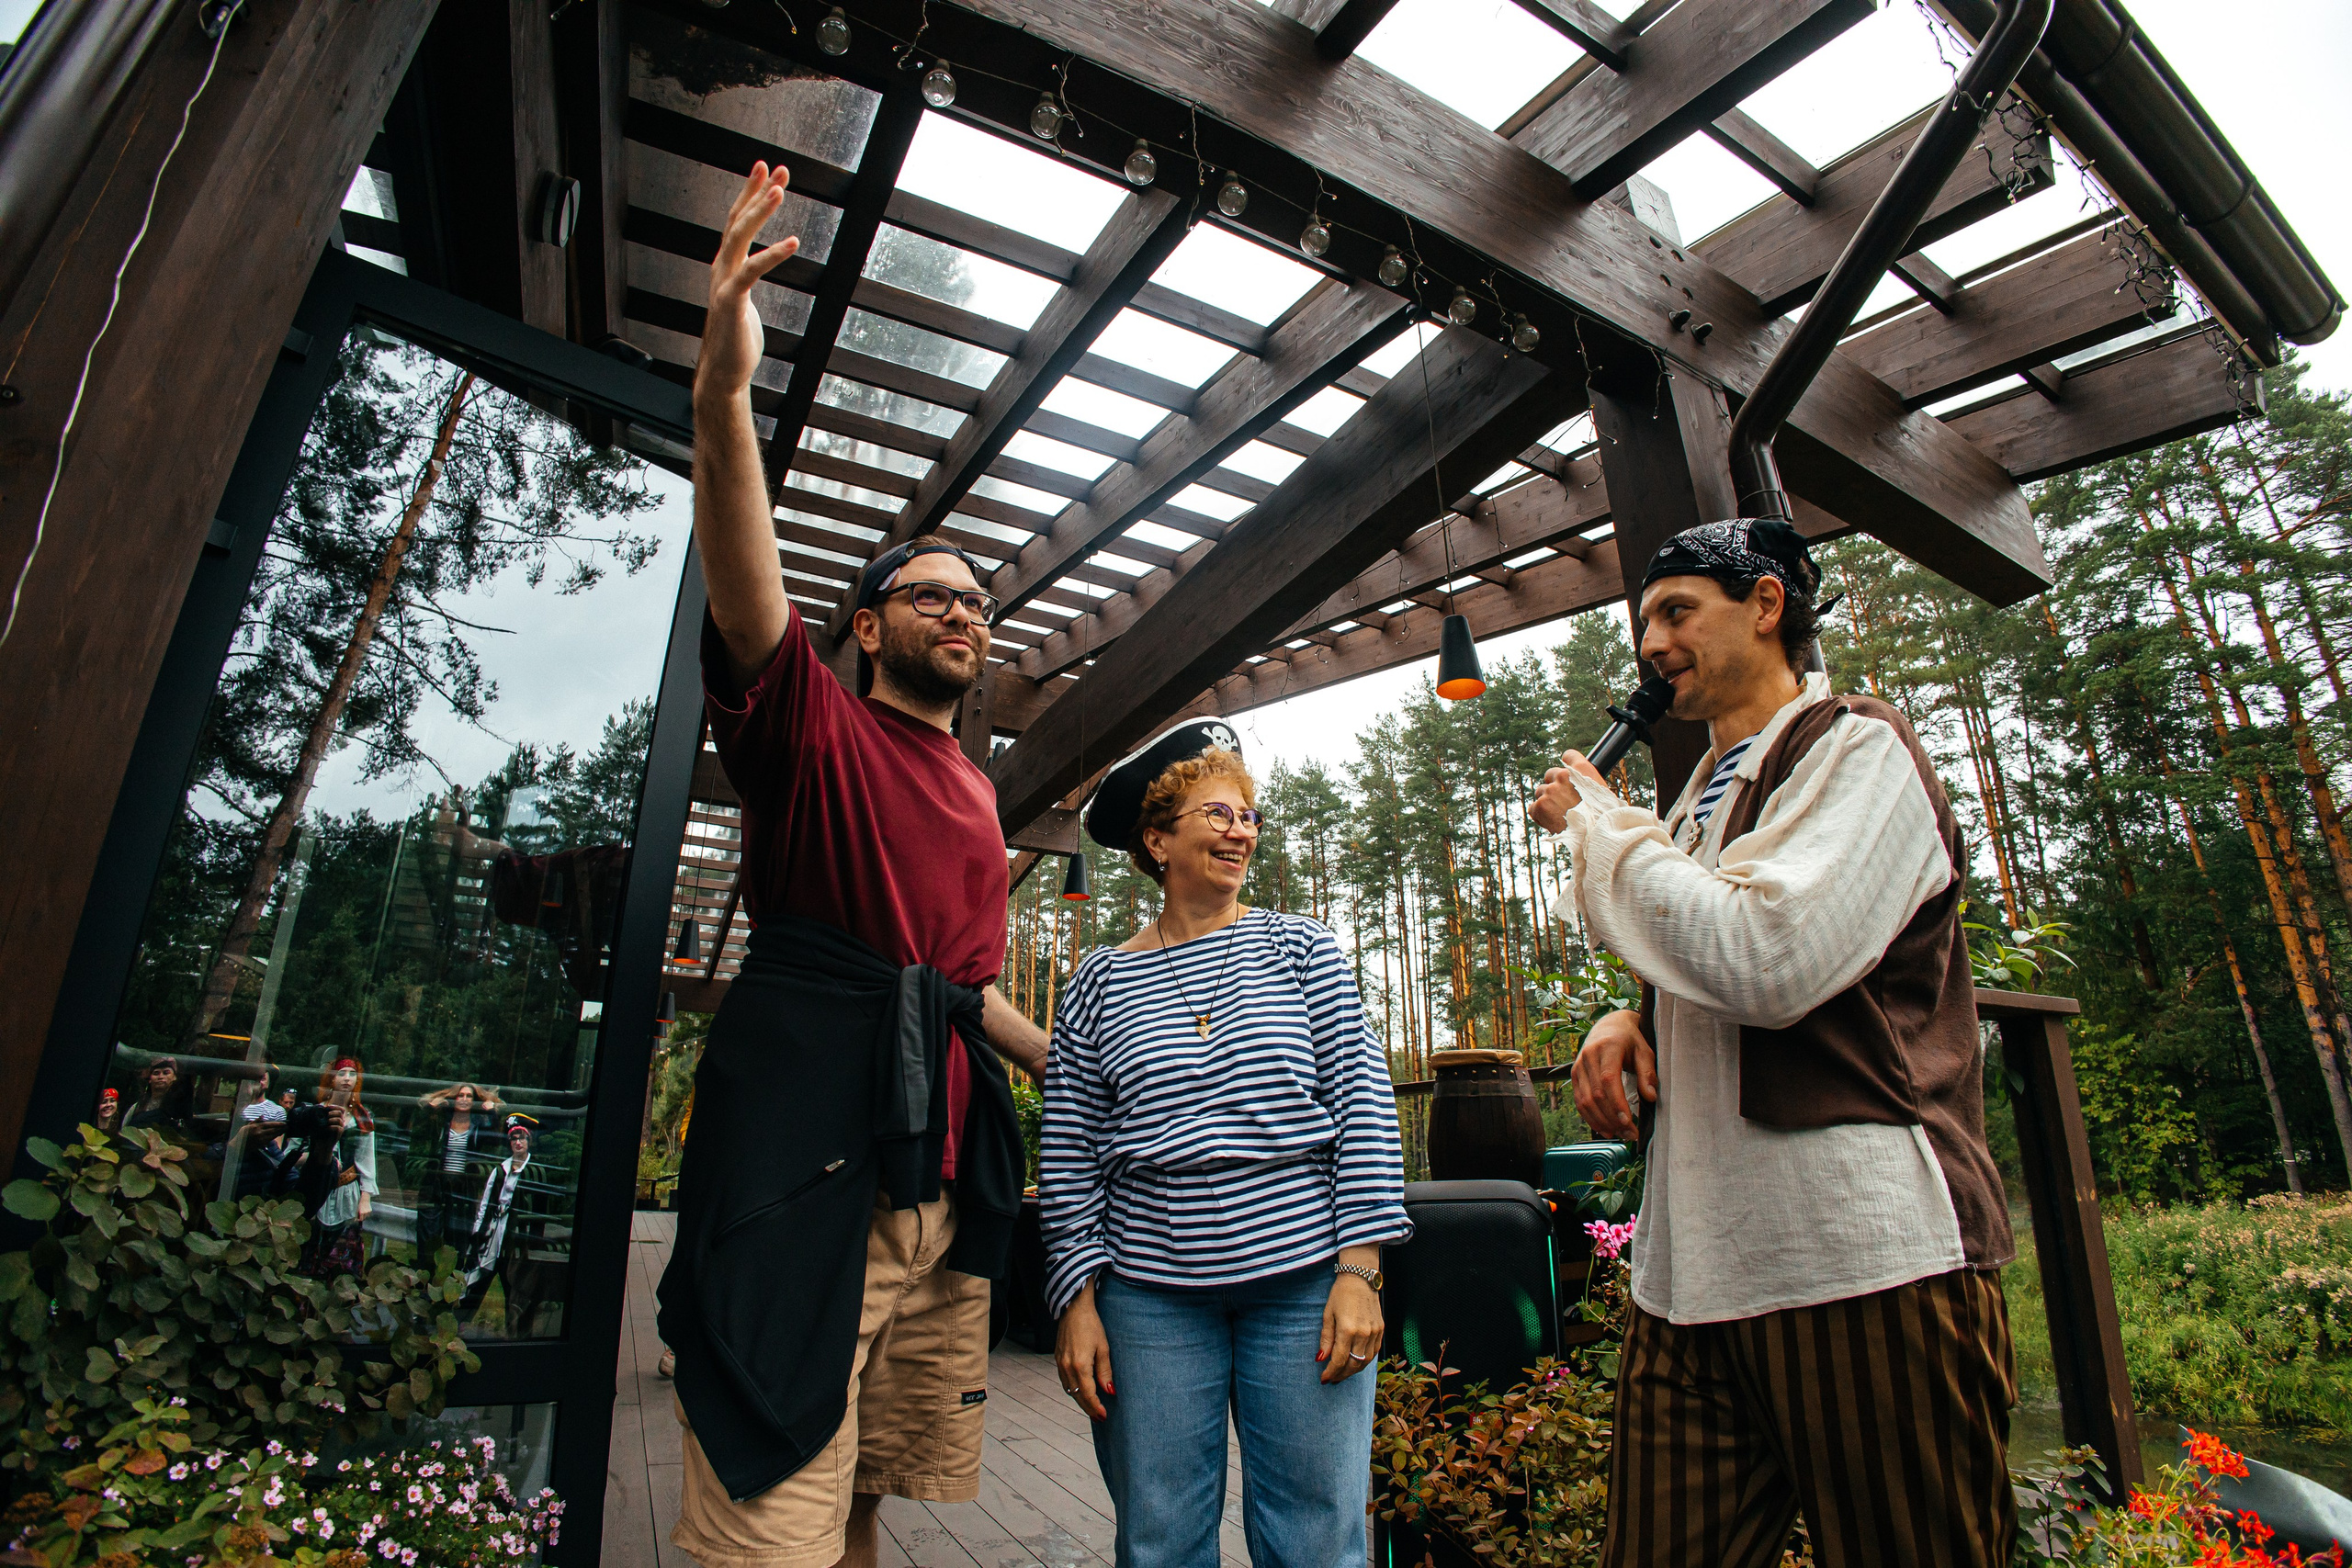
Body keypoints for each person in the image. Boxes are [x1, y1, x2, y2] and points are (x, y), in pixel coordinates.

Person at [655, 158, 1049, 1568]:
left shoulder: (980, 794)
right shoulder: (815, 728)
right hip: (812, 1179)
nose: (964, 612)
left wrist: (1083, 1060)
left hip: (943, 1193)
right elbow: (743, 578)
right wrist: (724, 395)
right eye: (931, 591)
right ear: (869, 626)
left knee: (873, 1496)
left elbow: (961, 989)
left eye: (980, 603)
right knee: (772, 1521)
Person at [1529, 516, 2017, 1567]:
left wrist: (1597, 824)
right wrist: (1633, 1014)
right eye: (1643, 624)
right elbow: (1703, 953)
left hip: (1861, 1264)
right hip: (1691, 1281)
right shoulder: (1698, 804)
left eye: (1676, 612)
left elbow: (1769, 957)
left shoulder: (1857, 747)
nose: (1652, 645)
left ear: (1766, 604)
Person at [1042, 721, 1410, 1568]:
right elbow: (1068, 1151)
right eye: (1218, 813)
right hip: (1149, 1298)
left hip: (1305, 1284)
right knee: (1160, 1540)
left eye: (1249, 816)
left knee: (1316, 1543)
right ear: (1157, 839)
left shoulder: (1303, 948)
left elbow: (1362, 1103)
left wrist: (1359, 1269)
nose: (1241, 830)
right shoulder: (1098, 981)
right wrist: (1076, 1301)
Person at [460, 1113, 548, 1336]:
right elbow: (485, 1204)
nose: (518, 1143)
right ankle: (459, 1324)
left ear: (529, 1141)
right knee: (479, 1278)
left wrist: (535, 1242)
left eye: (522, 1138)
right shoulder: (500, 1170)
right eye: (513, 1139)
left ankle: (516, 1333)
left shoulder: (535, 1172)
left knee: (515, 1286)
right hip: (495, 1234)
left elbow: (540, 1211)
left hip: (518, 1238)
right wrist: (478, 1234)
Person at [409, 1083, 505, 1263]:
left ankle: (453, 1276)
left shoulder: (477, 1125)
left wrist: (492, 1113)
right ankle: (425, 1272)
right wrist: (431, 1108)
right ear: (454, 1098)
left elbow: (494, 1141)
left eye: (469, 1096)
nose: (464, 1099)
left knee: (457, 1236)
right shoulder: (442, 1120)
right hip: (436, 1184)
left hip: (463, 1187)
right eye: (460, 1095)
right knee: (428, 1233)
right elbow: (419, 1131)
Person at [302, 1056, 379, 1277]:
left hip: (346, 1192)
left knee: (340, 1263)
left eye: (352, 1074)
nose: (347, 1079)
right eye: (342, 1073)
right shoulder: (316, 1112)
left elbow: (366, 1159)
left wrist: (365, 1198)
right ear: (332, 1079)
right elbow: (294, 1151)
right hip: (315, 1188)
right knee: (309, 1252)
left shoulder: (361, 1117)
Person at [121, 1055, 190, 1134]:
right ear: (150, 1079)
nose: (161, 1076)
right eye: (156, 1073)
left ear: (174, 1077)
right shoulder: (137, 1107)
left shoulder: (180, 1107)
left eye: (166, 1073)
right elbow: (124, 1132)